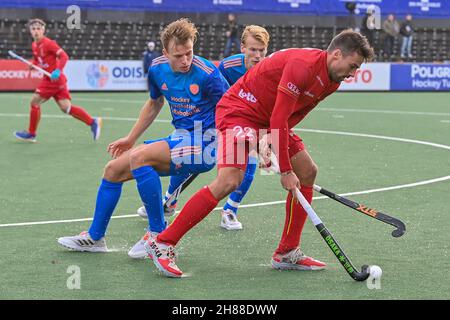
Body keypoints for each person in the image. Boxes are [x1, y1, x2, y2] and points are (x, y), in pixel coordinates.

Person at [145, 29, 374, 278]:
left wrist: (270, 141)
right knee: (229, 180)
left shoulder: (333, 78)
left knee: (308, 171)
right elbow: (279, 117)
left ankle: (287, 252)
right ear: (337, 54)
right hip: (239, 111)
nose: (353, 73)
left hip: (267, 119)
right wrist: (284, 170)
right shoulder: (303, 66)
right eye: (353, 66)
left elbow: (294, 113)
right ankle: (163, 243)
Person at [56, 19, 229, 259]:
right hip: (179, 139)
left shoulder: (208, 73)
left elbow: (233, 108)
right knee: (112, 170)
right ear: (165, 52)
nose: (185, 60)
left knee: (139, 158)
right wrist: (130, 138)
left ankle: (157, 234)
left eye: (189, 53)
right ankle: (95, 238)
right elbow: (154, 103)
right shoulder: (157, 69)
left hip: (205, 145)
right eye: (178, 55)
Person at [136, 25, 270, 231]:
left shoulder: (271, 70)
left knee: (251, 162)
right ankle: (170, 199)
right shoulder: (228, 67)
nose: (258, 55)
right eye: (253, 49)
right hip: (228, 119)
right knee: (186, 155)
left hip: (259, 118)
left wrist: (266, 136)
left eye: (262, 50)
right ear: (243, 47)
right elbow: (222, 99)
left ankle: (231, 210)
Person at [14, 18, 101, 143]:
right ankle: (93, 122)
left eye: (39, 28)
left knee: (34, 102)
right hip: (54, 81)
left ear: (43, 30)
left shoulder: (49, 43)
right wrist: (33, 64)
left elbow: (64, 56)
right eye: (33, 29)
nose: (36, 31)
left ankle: (31, 133)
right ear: (30, 31)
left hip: (53, 80)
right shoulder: (34, 45)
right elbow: (38, 59)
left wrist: (58, 70)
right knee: (66, 108)